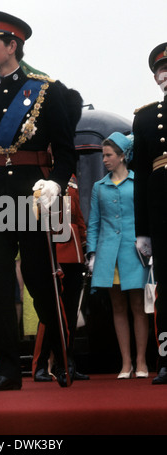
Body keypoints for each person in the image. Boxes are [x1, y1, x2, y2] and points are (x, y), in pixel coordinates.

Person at [0, 11, 81, 391]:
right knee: (0, 283)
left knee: (39, 278)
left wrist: (58, 183)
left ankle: (63, 358)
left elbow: (67, 152)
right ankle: (6, 371)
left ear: (12, 46)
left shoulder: (46, 90)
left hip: (35, 196)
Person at [87, 132, 149, 379]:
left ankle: (142, 361)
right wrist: (92, 253)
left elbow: (144, 216)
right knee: (118, 307)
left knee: (138, 306)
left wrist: (149, 243)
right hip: (108, 254)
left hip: (134, 251)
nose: (104, 160)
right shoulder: (98, 187)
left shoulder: (138, 182)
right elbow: (93, 222)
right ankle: (126, 362)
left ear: (123, 156)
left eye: (108, 155)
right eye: (103, 156)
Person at [33, 174, 89, 382]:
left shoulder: (71, 178)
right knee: (50, 312)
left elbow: (77, 215)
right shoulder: (38, 176)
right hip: (51, 249)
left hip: (73, 252)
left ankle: (67, 363)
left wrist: (85, 245)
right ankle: (40, 364)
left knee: (71, 312)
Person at [133, 43, 167, 384]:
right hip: (160, 201)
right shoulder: (144, 117)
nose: (166, 74)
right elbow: (141, 175)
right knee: (165, 285)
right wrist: (142, 230)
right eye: (161, 70)